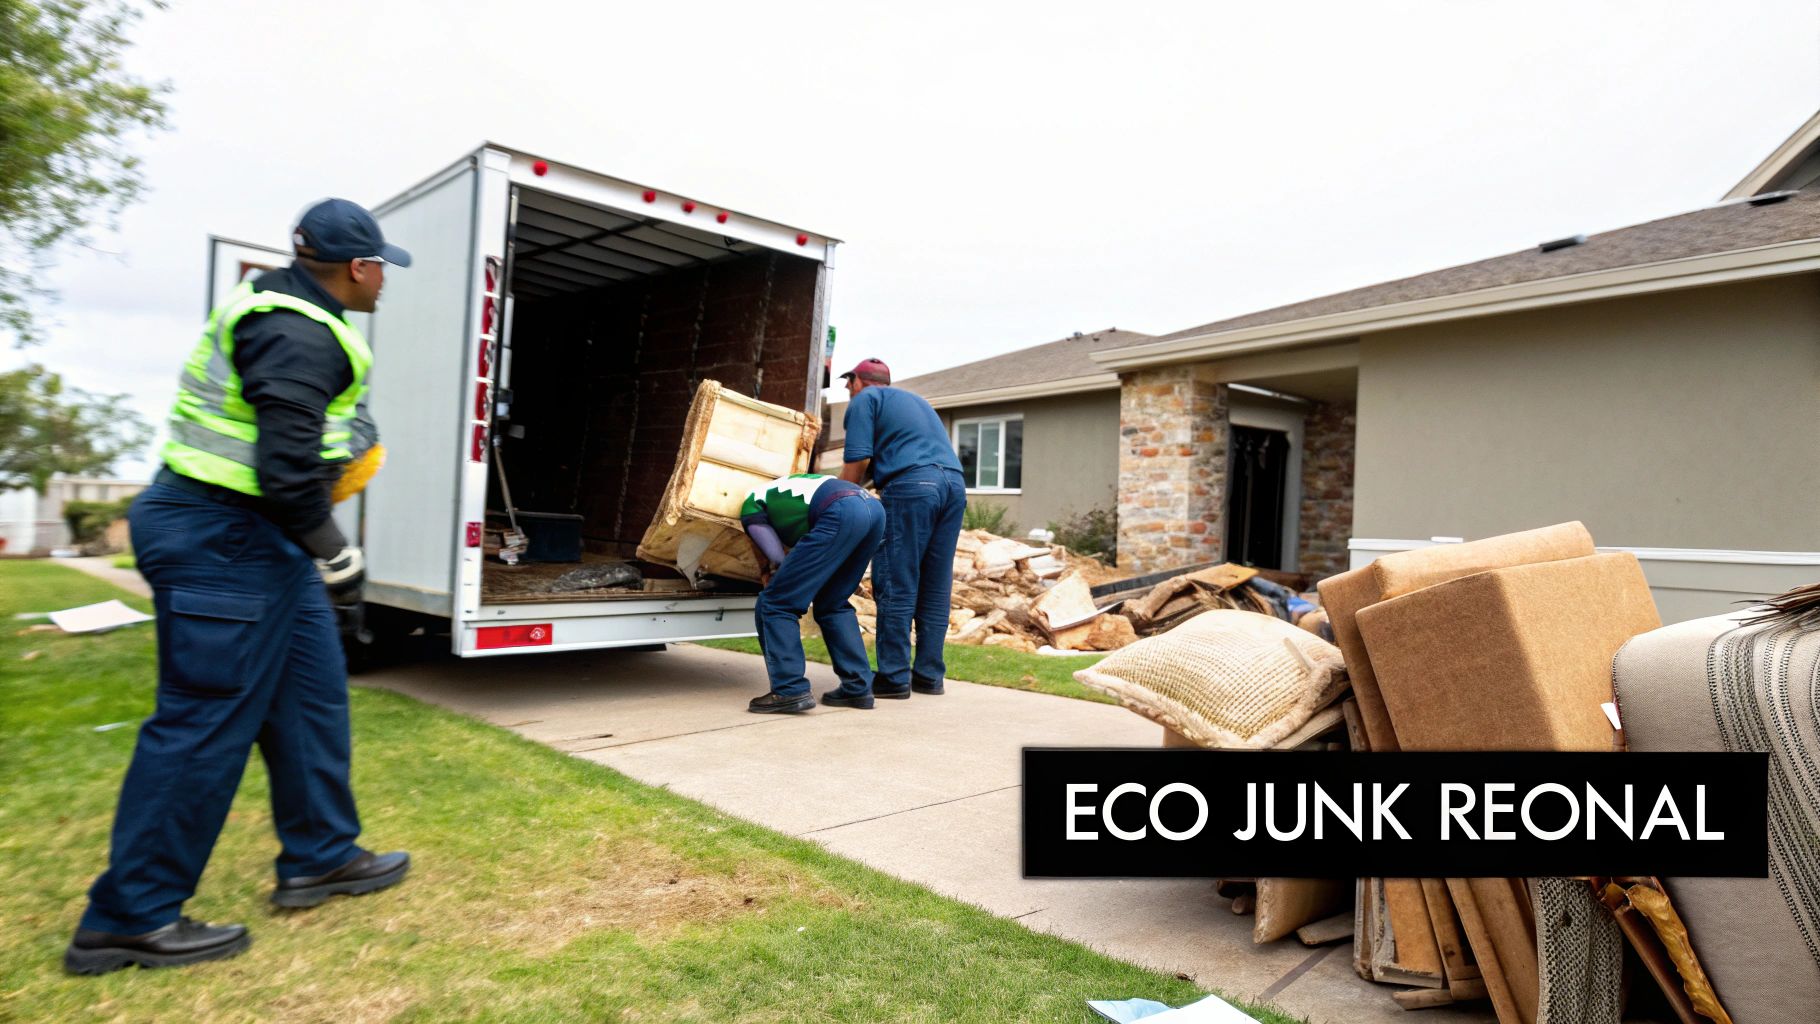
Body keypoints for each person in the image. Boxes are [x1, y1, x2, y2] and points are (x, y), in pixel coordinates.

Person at [65, 199, 413, 975]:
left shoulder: (280, 308)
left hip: (258, 538)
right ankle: (128, 918)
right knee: (203, 724)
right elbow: (284, 474)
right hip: (222, 536)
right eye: (381, 266)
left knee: (312, 697)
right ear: (358, 268)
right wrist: (337, 555)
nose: (385, 280)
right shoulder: (298, 333)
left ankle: (320, 855)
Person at [837, 359, 967, 698]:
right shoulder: (915, 402)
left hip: (912, 486)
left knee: (897, 578)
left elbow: (857, 463)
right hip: (953, 485)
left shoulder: (866, 400)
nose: (848, 392)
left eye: (848, 384)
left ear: (858, 381)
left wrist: (831, 501)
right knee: (935, 583)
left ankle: (894, 677)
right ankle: (928, 675)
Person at [740, 472, 886, 713]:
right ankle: (857, 688)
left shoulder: (752, 502)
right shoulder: (791, 487)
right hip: (873, 510)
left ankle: (789, 690)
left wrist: (774, 574)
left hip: (841, 510)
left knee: (775, 602)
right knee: (833, 603)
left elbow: (776, 559)